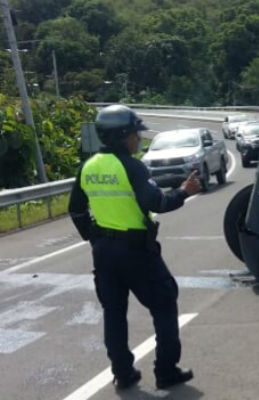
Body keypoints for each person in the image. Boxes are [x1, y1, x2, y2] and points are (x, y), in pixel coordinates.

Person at [68, 105, 200, 390]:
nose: (138, 139)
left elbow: (76, 210)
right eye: (135, 134)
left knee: (114, 314)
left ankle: (123, 374)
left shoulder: (88, 167)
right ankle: (166, 371)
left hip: (103, 253)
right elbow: (158, 203)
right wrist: (184, 192)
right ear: (122, 135)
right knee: (164, 304)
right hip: (136, 252)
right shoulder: (132, 166)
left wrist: (94, 237)